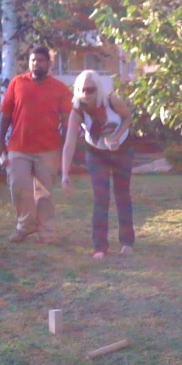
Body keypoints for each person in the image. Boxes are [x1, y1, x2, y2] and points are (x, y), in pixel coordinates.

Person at [0, 46, 73, 243]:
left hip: (49, 149)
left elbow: (67, 121)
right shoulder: (17, 83)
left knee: (44, 193)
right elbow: (5, 114)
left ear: (49, 63)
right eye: (33, 60)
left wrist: (67, 149)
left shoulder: (60, 88)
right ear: (29, 63)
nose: (36, 63)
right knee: (18, 188)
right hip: (18, 148)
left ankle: (46, 231)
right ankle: (24, 226)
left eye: (41, 60)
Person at [61, 70, 134, 260]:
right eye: (82, 90)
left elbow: (128, 117)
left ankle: (127, 242)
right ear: (77, 90)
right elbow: (69, 143)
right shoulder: (77, 111)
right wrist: (65, 173)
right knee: (101, 197)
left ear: (98, 89)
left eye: (91, 89)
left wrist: (116, 137)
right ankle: (100, 246)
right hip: (96, 153)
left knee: (122, 194)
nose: (87, 94)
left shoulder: (112, 101)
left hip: (122, 149)